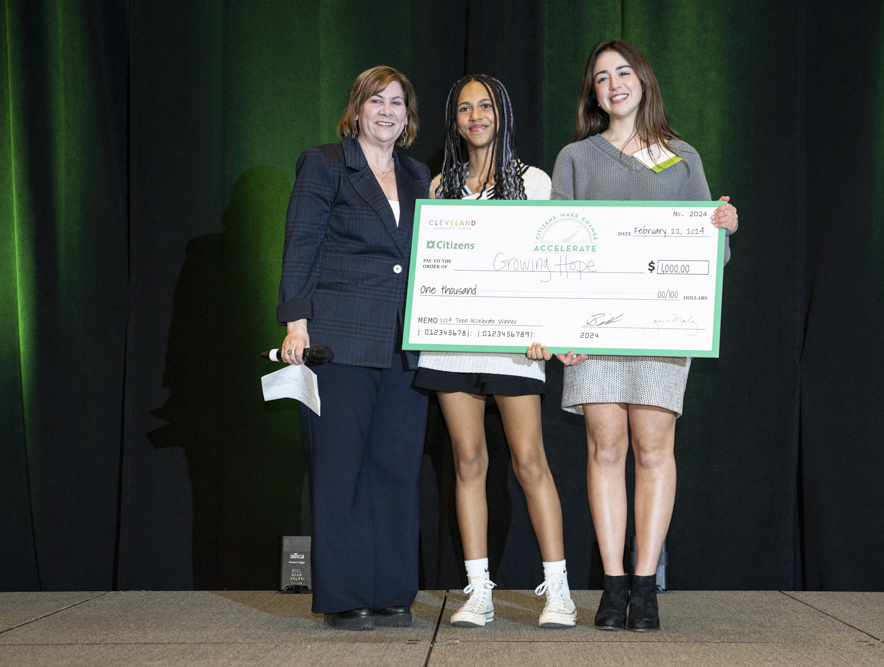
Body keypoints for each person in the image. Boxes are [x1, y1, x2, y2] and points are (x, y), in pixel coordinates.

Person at [537, 40, 739, 632]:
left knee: (654, 450)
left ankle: (645, 587)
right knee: (605, 449)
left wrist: (723, 227)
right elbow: (554, 247)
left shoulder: (681, 156)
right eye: (601, 77)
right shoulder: (575, 157)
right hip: (593, 333)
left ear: (643, 80)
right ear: (592, 93)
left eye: (623, 72)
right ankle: (612, 585)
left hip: (660, 328)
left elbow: (710, 255)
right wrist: (560, 328)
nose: (614, 83)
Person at [413, 74, 577, 629]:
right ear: (454, 120)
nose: (475, 116)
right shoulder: (439, 188)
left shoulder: (533, 182)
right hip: (453, 346)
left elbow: (552, 266)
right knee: (467, 461)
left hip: (515, 346)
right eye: (464, 108)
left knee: (530, 462)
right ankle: (477, 590)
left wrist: (548, 329)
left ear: (501, 114)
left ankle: (558, 591)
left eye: (485, 106)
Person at [276, 66, 430, 631]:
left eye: (397, 102)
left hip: (404, 343)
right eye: (376, 101)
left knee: (395, 468)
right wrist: (296, 322)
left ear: (408, 115)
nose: (387, 111)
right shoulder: (324, 163)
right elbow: (301, 243)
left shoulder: (419, 175)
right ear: (357, 109)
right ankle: (343, 596)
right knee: (340, 468)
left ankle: (391, 592)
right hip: (338, 338)